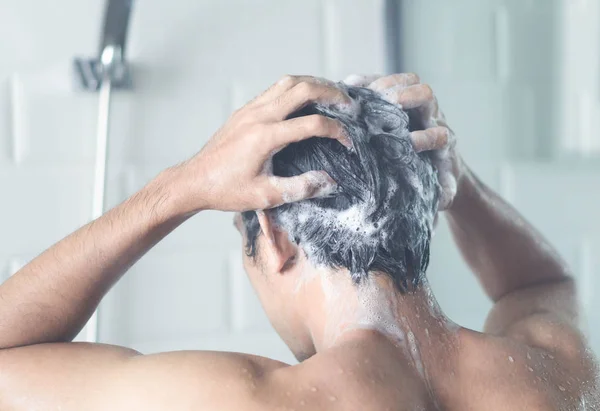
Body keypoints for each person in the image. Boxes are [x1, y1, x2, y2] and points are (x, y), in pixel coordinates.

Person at [0, 74, 597, 411]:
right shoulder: (551, 375)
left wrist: (181, 187)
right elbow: (542, 284)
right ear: (422, 210)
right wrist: (459, 182)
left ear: (274, 236)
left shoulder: (248, 400)